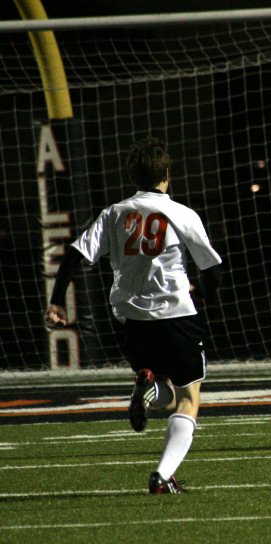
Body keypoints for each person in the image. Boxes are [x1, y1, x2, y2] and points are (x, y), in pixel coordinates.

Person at [44, 136, 223, 495]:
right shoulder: (182, 214)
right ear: (167, 175)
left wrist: (57, 302)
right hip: (176, 316)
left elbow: (75, 256)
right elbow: (213, 272)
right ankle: (162, 475)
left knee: (167, 394)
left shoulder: (114, 213)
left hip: (131, 320)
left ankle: (148, 385)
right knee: (189, 399)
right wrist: (198, 291)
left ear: (132, 176)